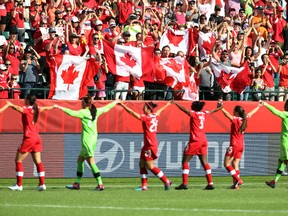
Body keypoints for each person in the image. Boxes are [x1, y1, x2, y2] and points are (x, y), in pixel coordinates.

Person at [54, 96, 119, 191]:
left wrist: (60, 107)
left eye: (82, 102)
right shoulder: (96, 111)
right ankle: (77, 183)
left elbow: (72, 113)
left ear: (85, 103)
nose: (81, 103)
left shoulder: (83, 112)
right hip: (93, 139)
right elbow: (107, 108)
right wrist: (116, 101)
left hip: (87, 141)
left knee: (91, 162)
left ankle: (100, 184)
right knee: (80, 160)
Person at [120, 101, 172, 191]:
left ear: (149, 109)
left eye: (144, 107)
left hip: (150, 145)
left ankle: (166, 180)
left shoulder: (146, 118)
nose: (143, 109)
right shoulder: (155, 115)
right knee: (141, 163)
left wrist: (122, 105)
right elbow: (160, 110)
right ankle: (144, 185)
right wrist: (167, 104)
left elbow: (132, 113)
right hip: (148, 144)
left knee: (150, 166)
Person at [7, 94, 54, 191]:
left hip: (29, 138)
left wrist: (10, 105)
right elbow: (45, 108)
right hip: (37, 138)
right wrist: (53, 106)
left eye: (25, 99)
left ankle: (19, 185)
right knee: (38, 162)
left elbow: (18, 109)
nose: (24, 100)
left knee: (18, 160)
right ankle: (42, 184)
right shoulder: (36, 108)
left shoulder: (27, 109)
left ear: (28, 100)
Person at [173, 101, 222, 190]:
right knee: (205, 162)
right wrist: (219, 108)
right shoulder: (204, 113)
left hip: (195, 140)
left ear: (195, 107)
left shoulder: (194, 114)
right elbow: (212, 111)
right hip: (203, 140)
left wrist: (176, 104)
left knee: (185, 161)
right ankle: (210, 183)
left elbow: (184, 110)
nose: (191, 106)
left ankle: (184, 183)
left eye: (192, 105)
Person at [220, 102, 261, 189]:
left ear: (237, 113)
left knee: (226, 164)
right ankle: (236, 185)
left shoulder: (236, 119)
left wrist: (221, 108)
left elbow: (228, 115)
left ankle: (238, 180)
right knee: (235, 164)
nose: (233, 113)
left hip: (234, 144)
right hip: (241, 145)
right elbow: (251, 113)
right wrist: (258, 106)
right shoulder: (245, 119)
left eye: (234, 111)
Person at [264, 100, 288, 188]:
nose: (284, 106)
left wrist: (266, 104)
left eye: (285, 104)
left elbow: (275, 112)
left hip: (286, 142)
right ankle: (274, 181)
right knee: (281, 161)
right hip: (285, 141)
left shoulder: (286, 114)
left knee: (286, 161)